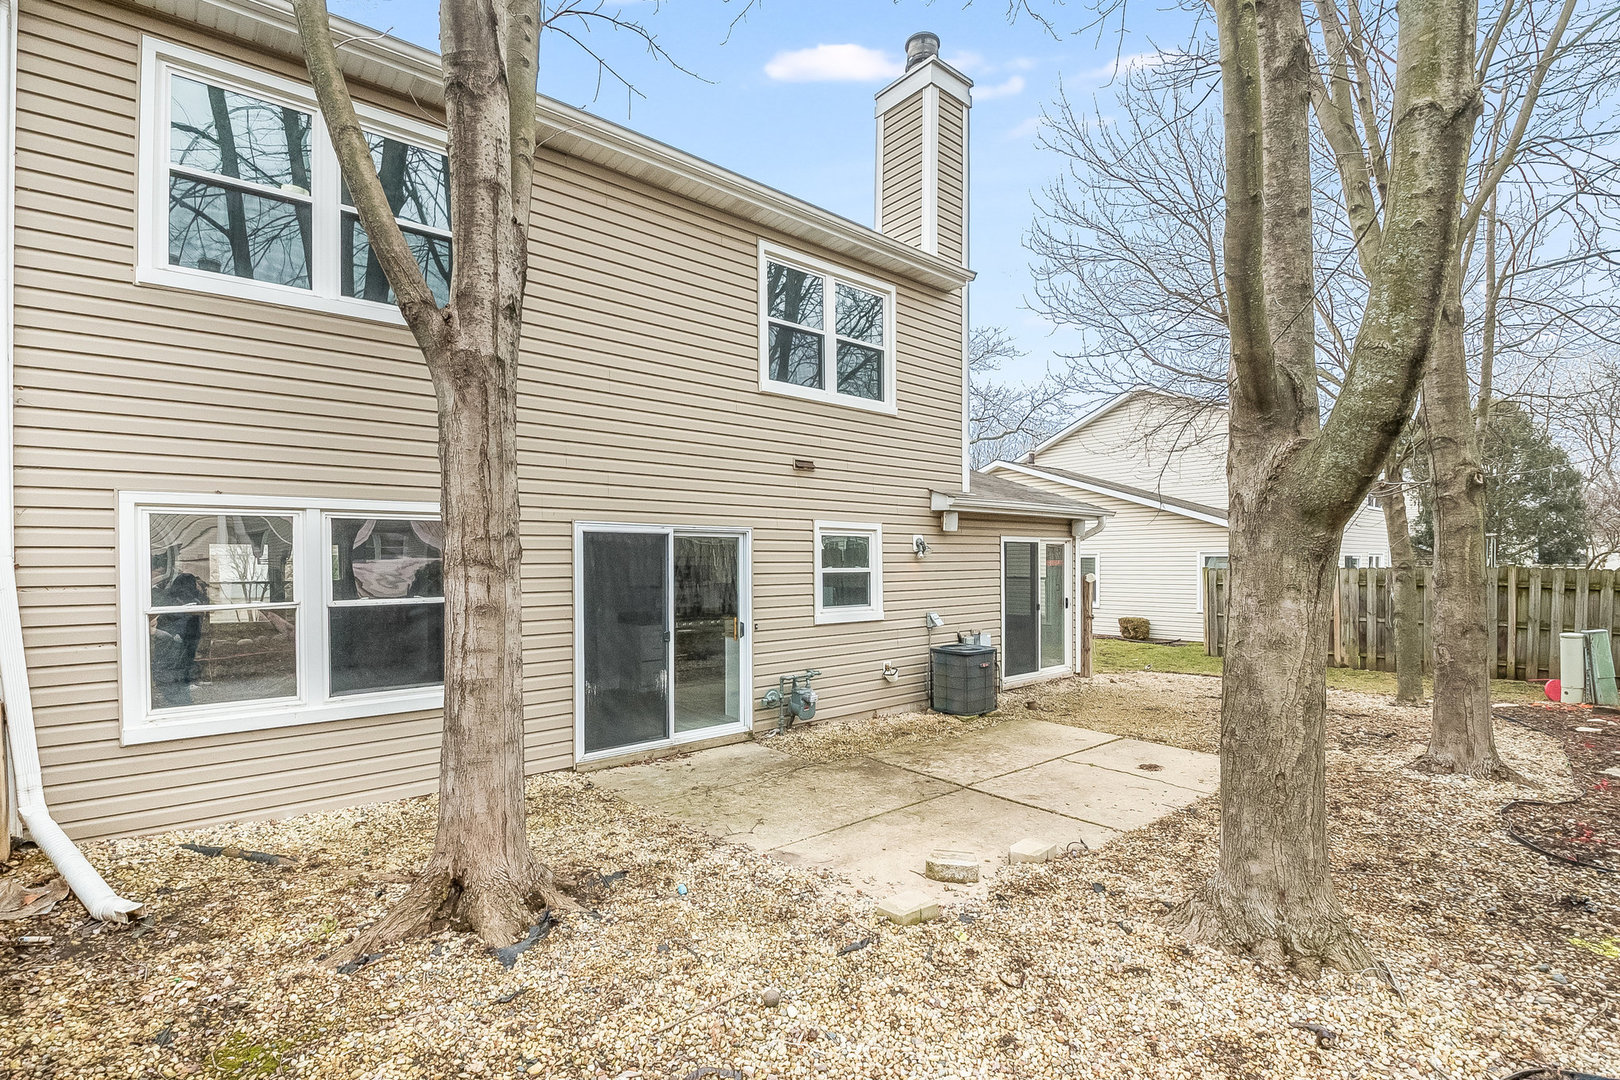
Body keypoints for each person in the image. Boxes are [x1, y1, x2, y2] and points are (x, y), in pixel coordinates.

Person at [151, 561, 207, 708]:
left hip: (175, 654)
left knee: (176, 685)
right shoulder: (189, 605)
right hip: (176, 653)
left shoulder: (174, 603)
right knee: (177, 685)